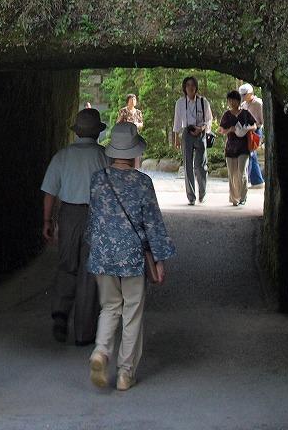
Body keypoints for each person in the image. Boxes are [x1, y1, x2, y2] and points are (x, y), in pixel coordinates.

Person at [86, 122, 174, 391]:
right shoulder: (143, 183)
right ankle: (125, 373)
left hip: (103, 255)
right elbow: (153, 224)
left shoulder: (98, 180)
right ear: (135, 152)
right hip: (133, 257)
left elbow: (94, 219)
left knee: (110, 307)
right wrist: (158, 259)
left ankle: (101, 351)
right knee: (132, 311)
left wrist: (94, 247)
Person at [41, 106, 108, 345]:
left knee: (67, 265)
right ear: (97, 132)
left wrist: (47, 221)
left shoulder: (62, 156)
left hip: (68, 214)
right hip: (96, 215)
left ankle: (60, 314)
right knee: (90, 273)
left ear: (77, 131)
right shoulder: (104, 156)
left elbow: (49, 192)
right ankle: (84, 332)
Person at [172, 75, 213, 205]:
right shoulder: (180, 103)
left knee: (201, 166)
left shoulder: (203, 101)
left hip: (200, 133)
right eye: (188, 85)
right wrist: (176, 139)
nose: (190, 87)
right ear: (184, 88)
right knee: (188, 165)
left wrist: (201, 128)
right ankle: (191, 197)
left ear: (196, 87)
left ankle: (202, 193)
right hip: (187, 133)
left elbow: (209, 120)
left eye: (193, 85)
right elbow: (177, 122)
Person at [217, 90, 259, 206]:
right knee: (232, 174)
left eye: (234, 100)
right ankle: (234, 198)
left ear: (238, 101)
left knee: (242, 172)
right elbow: (221, 130)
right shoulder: (226, 115)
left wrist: (248, 129)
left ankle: (243, 197)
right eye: (230, 100)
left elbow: (255, 125)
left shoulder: (245, 113)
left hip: (243, 147)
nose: (232, 102)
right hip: (230, 147)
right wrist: (229, 130)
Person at [239, 83, 266, 189]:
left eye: (244, 94)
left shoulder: (258, 103)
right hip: (245, 131)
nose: (243, 97)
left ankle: (257, 181)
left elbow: (263, 120)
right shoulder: (243, 105)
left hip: (256, 130)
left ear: (250, 93)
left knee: (251, 153)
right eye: (241, 95)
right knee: (248, 154)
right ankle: (253, 180)